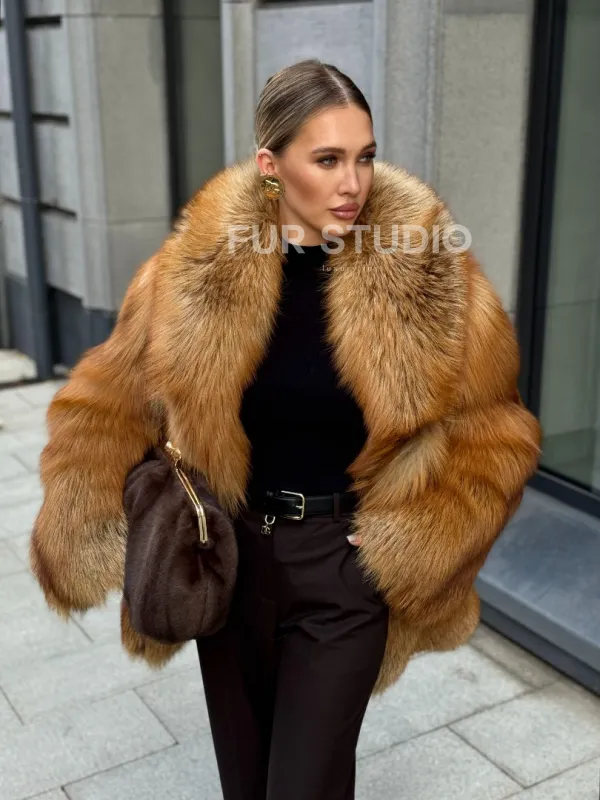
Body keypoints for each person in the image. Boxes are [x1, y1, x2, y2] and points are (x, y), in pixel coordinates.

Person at [29, 59, 541, 799]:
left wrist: (417, 537)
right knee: (246, 782)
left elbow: (496, 431)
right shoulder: (190, 274)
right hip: (227, 557)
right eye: (327, 159)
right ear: (271, 166)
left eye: (364, 157)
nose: (352, 183)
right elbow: (106, 403)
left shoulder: (430, 277)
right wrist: (80, 521)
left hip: (343, 570)